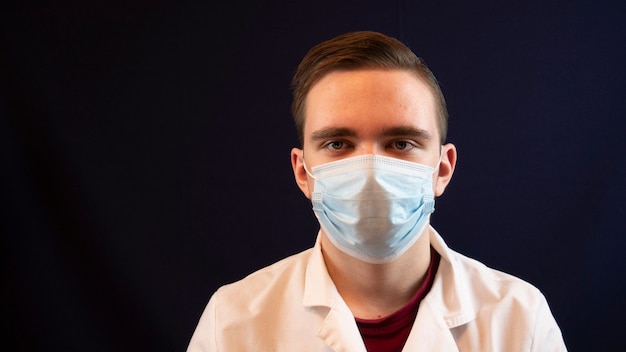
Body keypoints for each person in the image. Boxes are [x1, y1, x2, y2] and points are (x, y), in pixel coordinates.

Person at [187, 30, 567, 351]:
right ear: (303, 172)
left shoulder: (520, 319)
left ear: (443, 169)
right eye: (338, 143)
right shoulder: (233, 322)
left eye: (401, 143)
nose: (371, 173)